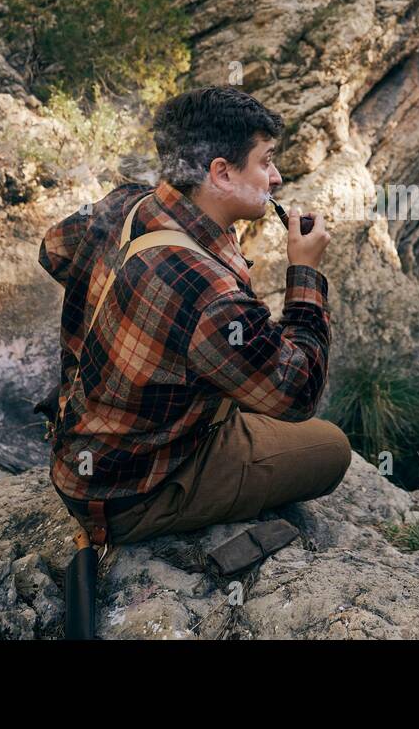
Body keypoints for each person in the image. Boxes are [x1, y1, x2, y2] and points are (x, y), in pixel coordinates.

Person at [37, 85, 350, 547]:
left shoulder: (129, 202)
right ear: (221, 173)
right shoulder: (210, 292)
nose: (277, 177)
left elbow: (54, 250)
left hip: (80, 454)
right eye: (265, 161)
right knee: (331, 448)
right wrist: (304, 272)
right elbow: (298, 394)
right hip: (132, 494)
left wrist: (135, 318)